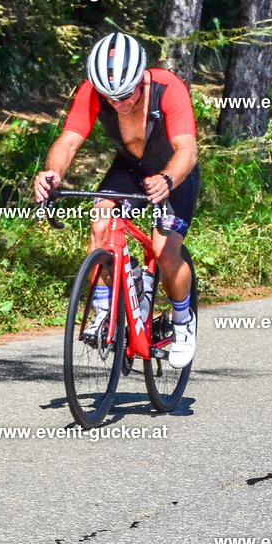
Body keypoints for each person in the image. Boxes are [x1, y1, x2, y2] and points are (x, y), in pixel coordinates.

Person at [33, 31, 199, 368]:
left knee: (164, 251)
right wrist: (52, 175)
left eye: (124, 95)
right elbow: (67, 143)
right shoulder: (93, 92)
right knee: (101, 222)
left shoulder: (169, 88)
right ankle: (107, 309)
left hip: (173, 173)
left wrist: (168, 179)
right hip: (129, 168)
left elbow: (187, 149)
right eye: (109, 98)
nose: (117, 103)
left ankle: (183, 323)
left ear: (141, 79)